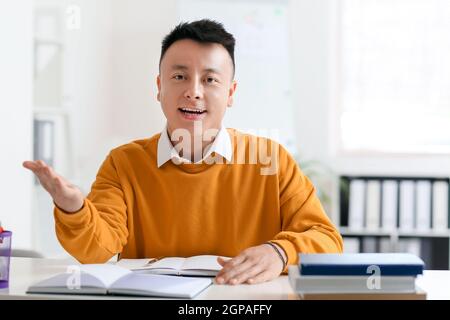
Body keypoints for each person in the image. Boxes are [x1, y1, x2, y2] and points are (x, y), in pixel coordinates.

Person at [23, 19, 343, 285]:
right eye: (179, 76)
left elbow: (327, 241)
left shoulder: (271, 160)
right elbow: (96, 249)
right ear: (159, 87)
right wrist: (74, 208)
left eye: (210, 79)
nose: (193, 91)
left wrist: (281, 252)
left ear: (230, 93)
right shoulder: (125, 163)